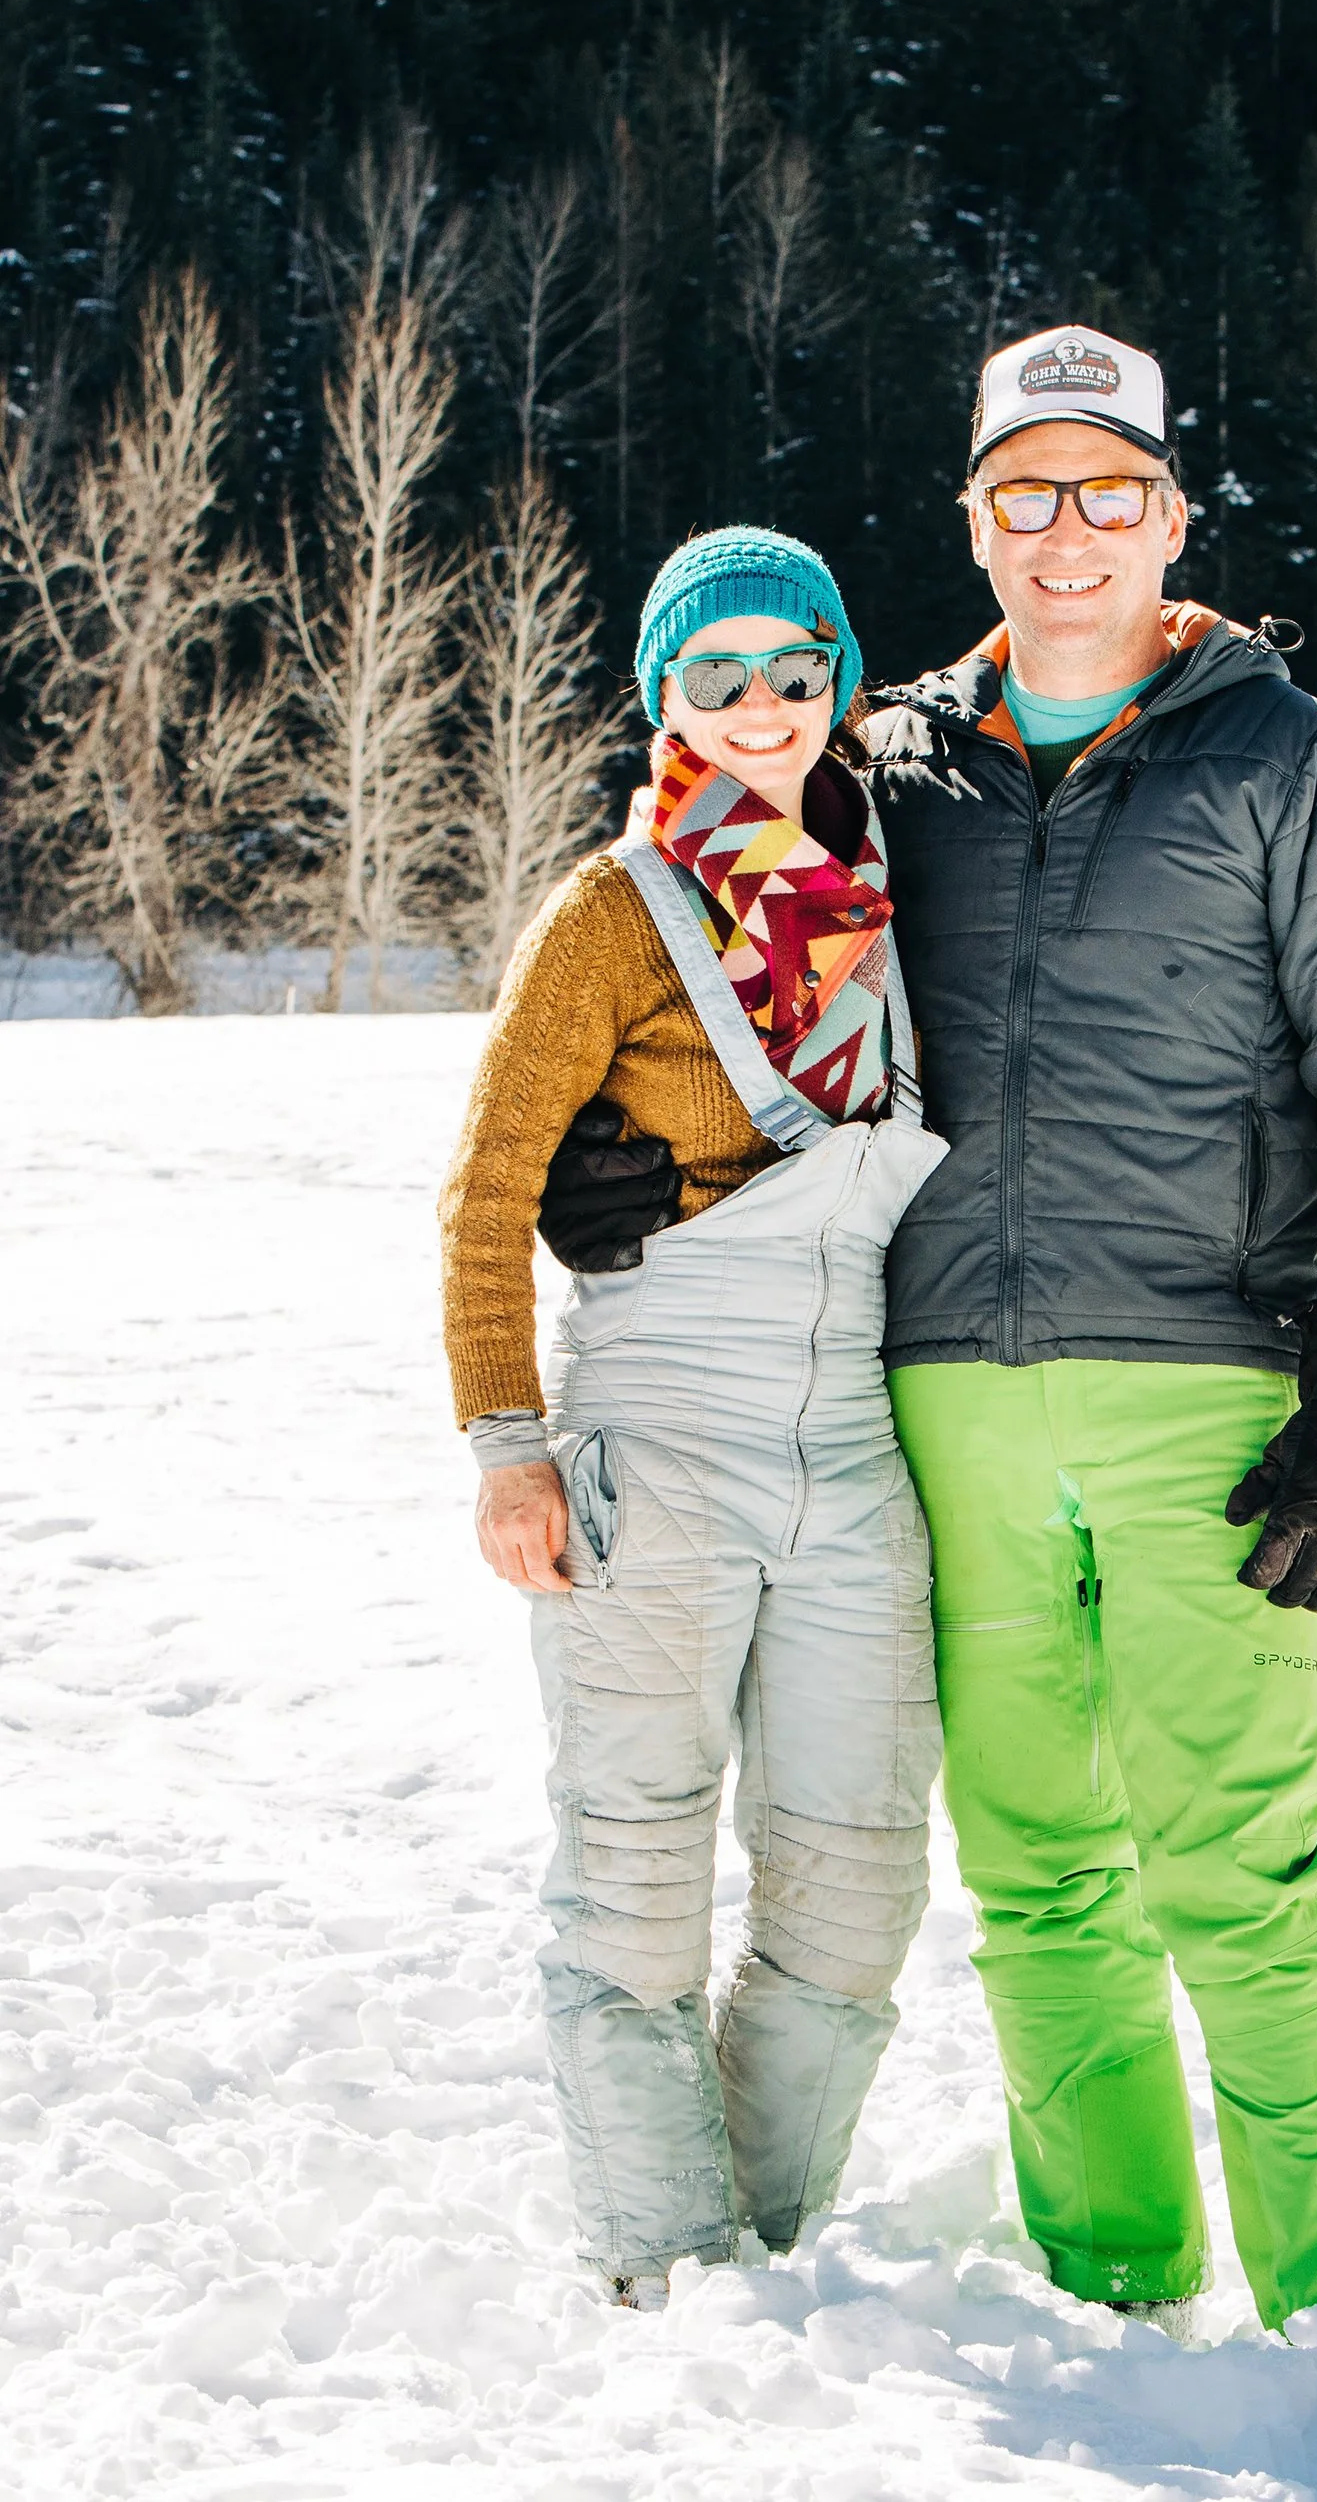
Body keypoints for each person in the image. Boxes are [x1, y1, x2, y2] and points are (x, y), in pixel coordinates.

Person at [542, 330, 1317, 2341]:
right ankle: (1116, 2293)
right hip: (935, 1390)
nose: (1069, 533)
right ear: (973, 521)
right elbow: (714, 950)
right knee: (1041, 1877)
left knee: (1243, 1879)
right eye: (1026, 492)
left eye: (1109, 490)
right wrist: (616, 1160)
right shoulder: (882, 766)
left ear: (1172, 517)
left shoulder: (1295, 760)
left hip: (1210, 1388)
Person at [439, 526, 945, 2310]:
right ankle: (664, 2270)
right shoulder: (610, 910)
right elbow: (489, 1188)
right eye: (710, 676)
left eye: (791, 671)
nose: (754, 708)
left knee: (857, 1883)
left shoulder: (889, 889)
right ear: (662, 698)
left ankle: (771, 2253)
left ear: (840, 683)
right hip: (655, 1441)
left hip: (854, 1453)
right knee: (638, 1885)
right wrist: (510, 1448)